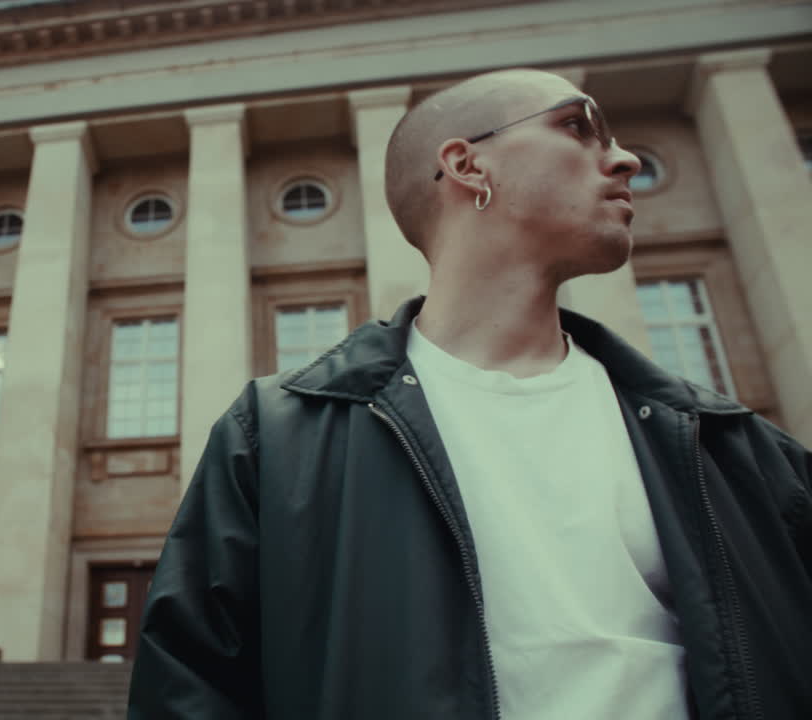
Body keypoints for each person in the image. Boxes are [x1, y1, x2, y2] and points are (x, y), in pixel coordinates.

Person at [126, 69, 812, 719]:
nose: (625, 159)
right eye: (578, 127)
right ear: (467, 166)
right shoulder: (278, 437)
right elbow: (189, 692)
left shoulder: (734, 446)